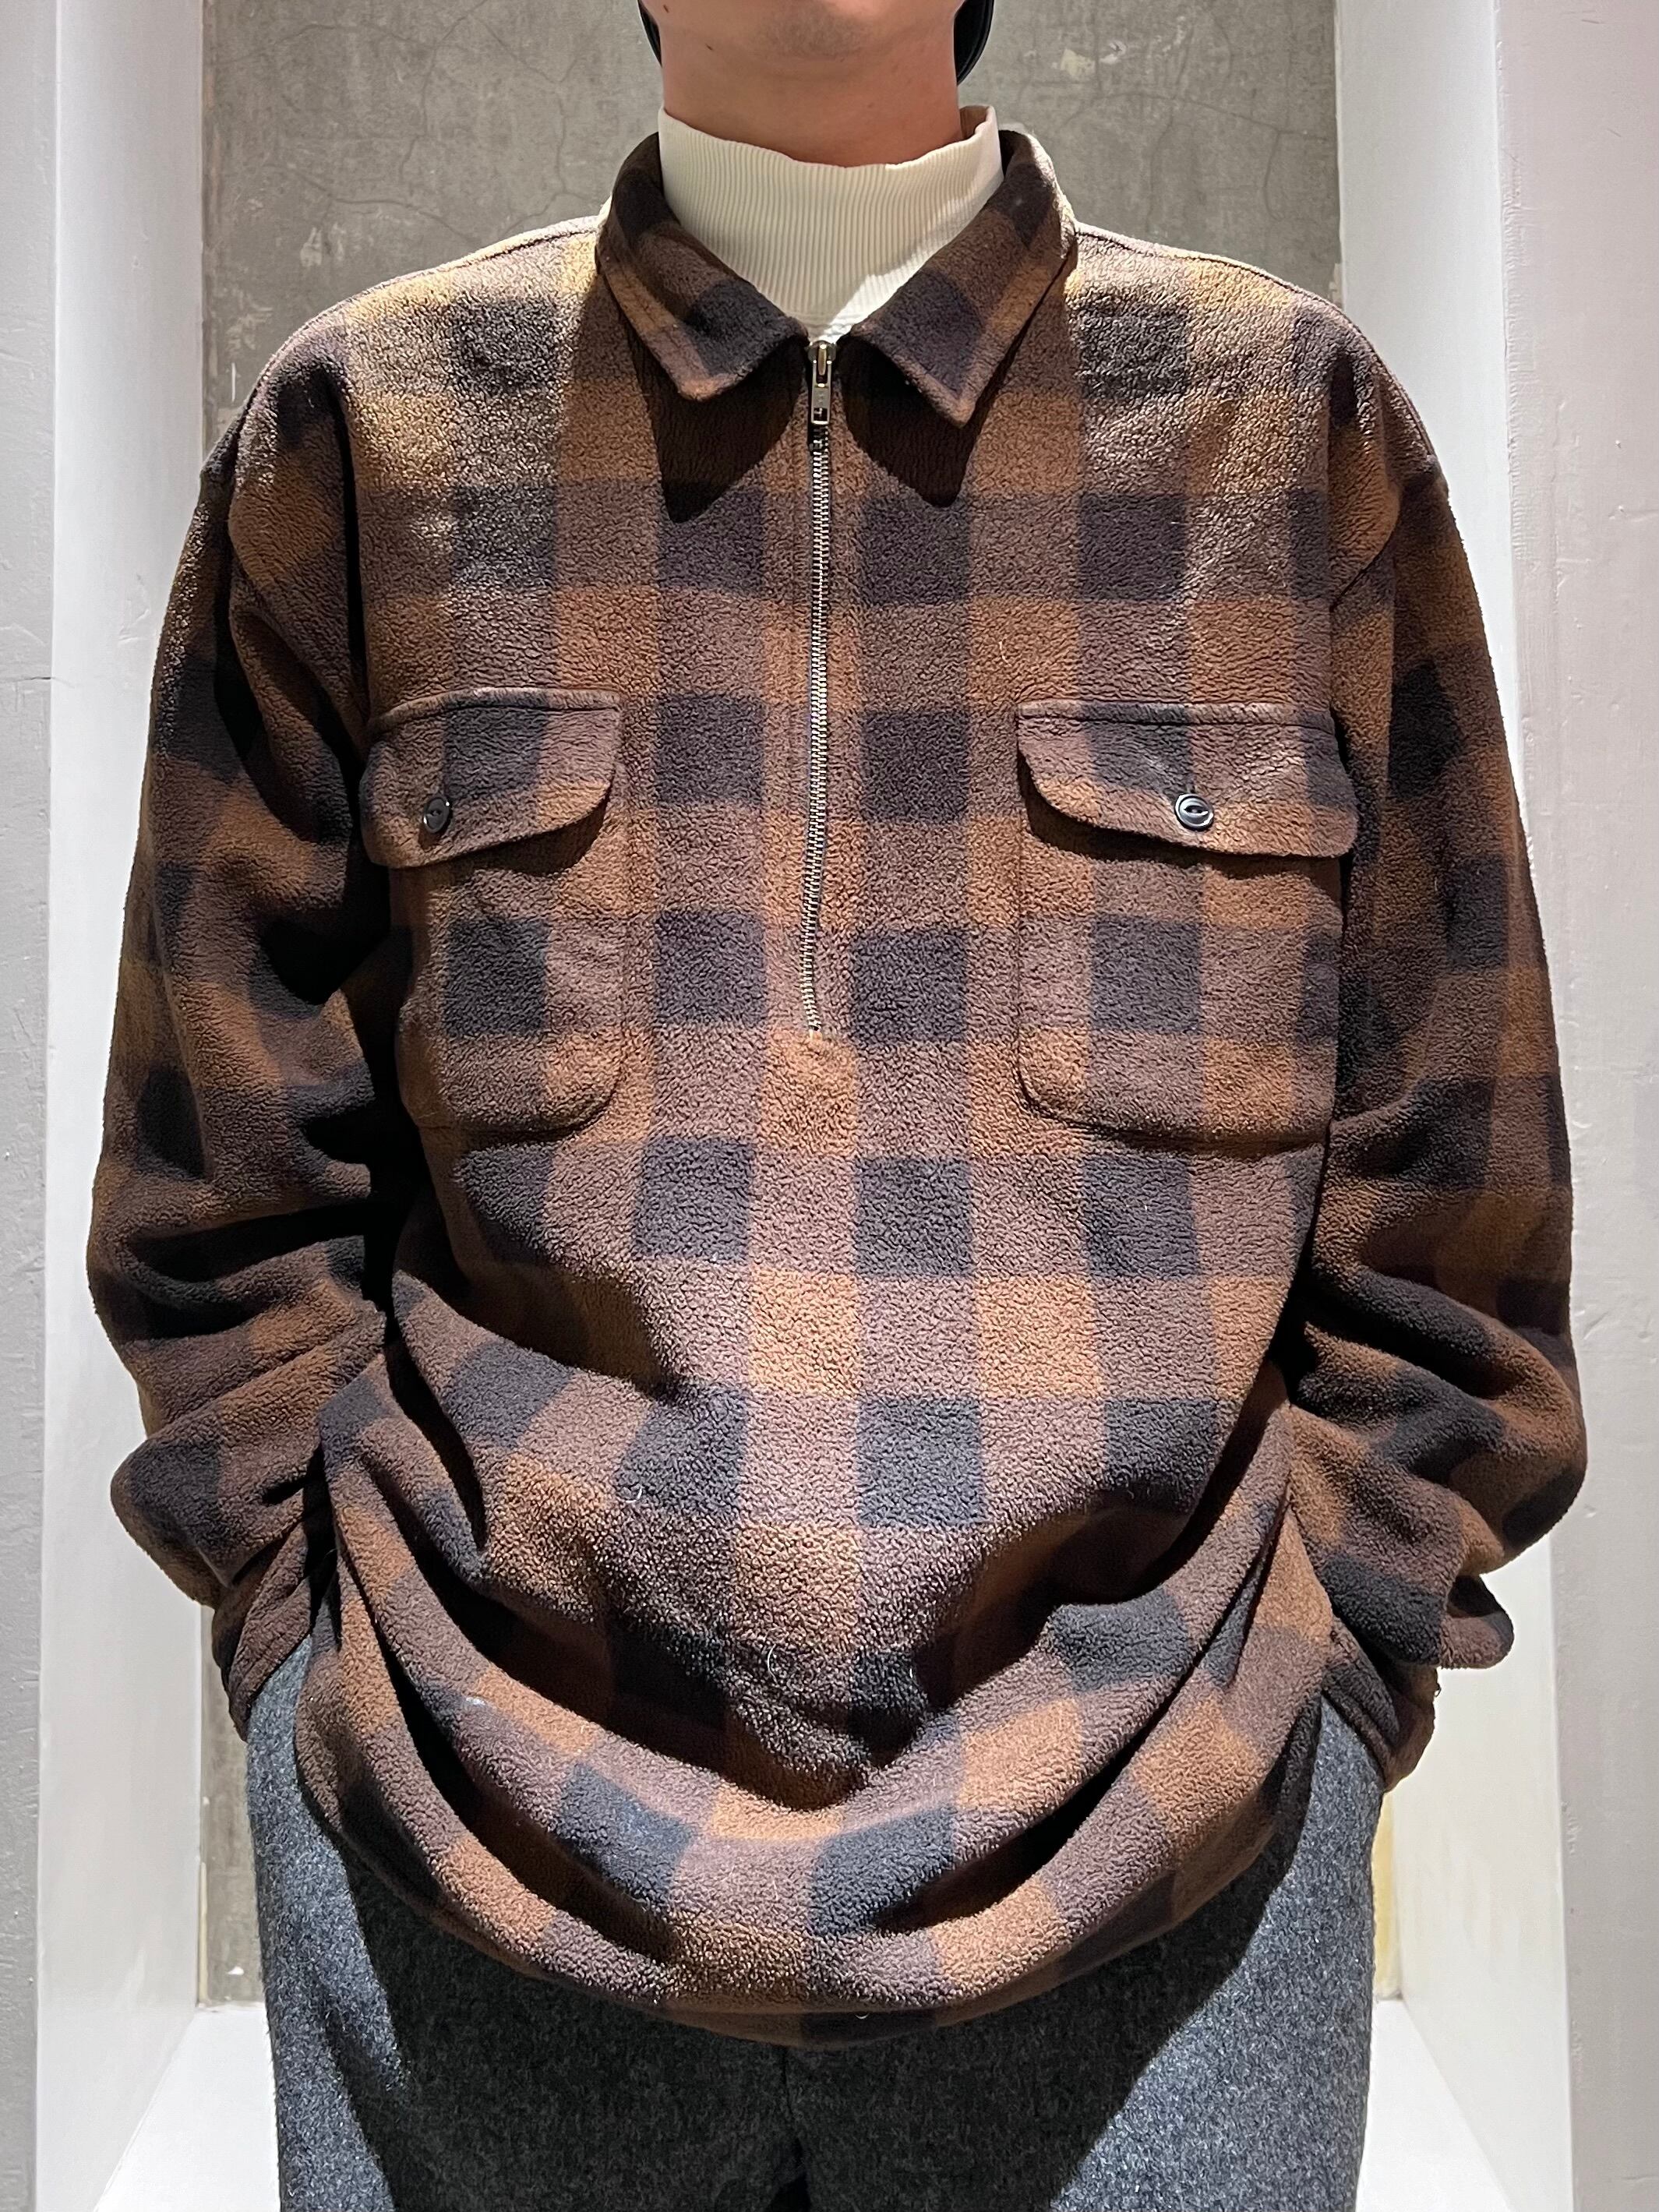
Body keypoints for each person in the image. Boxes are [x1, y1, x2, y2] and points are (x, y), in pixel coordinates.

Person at [84, 0, 1588, 2204]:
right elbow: (217, 1181)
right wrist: (307, 1640)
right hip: (459, 1860)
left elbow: (1456, 1174)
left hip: (1180, 1873)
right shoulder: (368, 434)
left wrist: (1335, 1663)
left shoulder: (1289, 430)